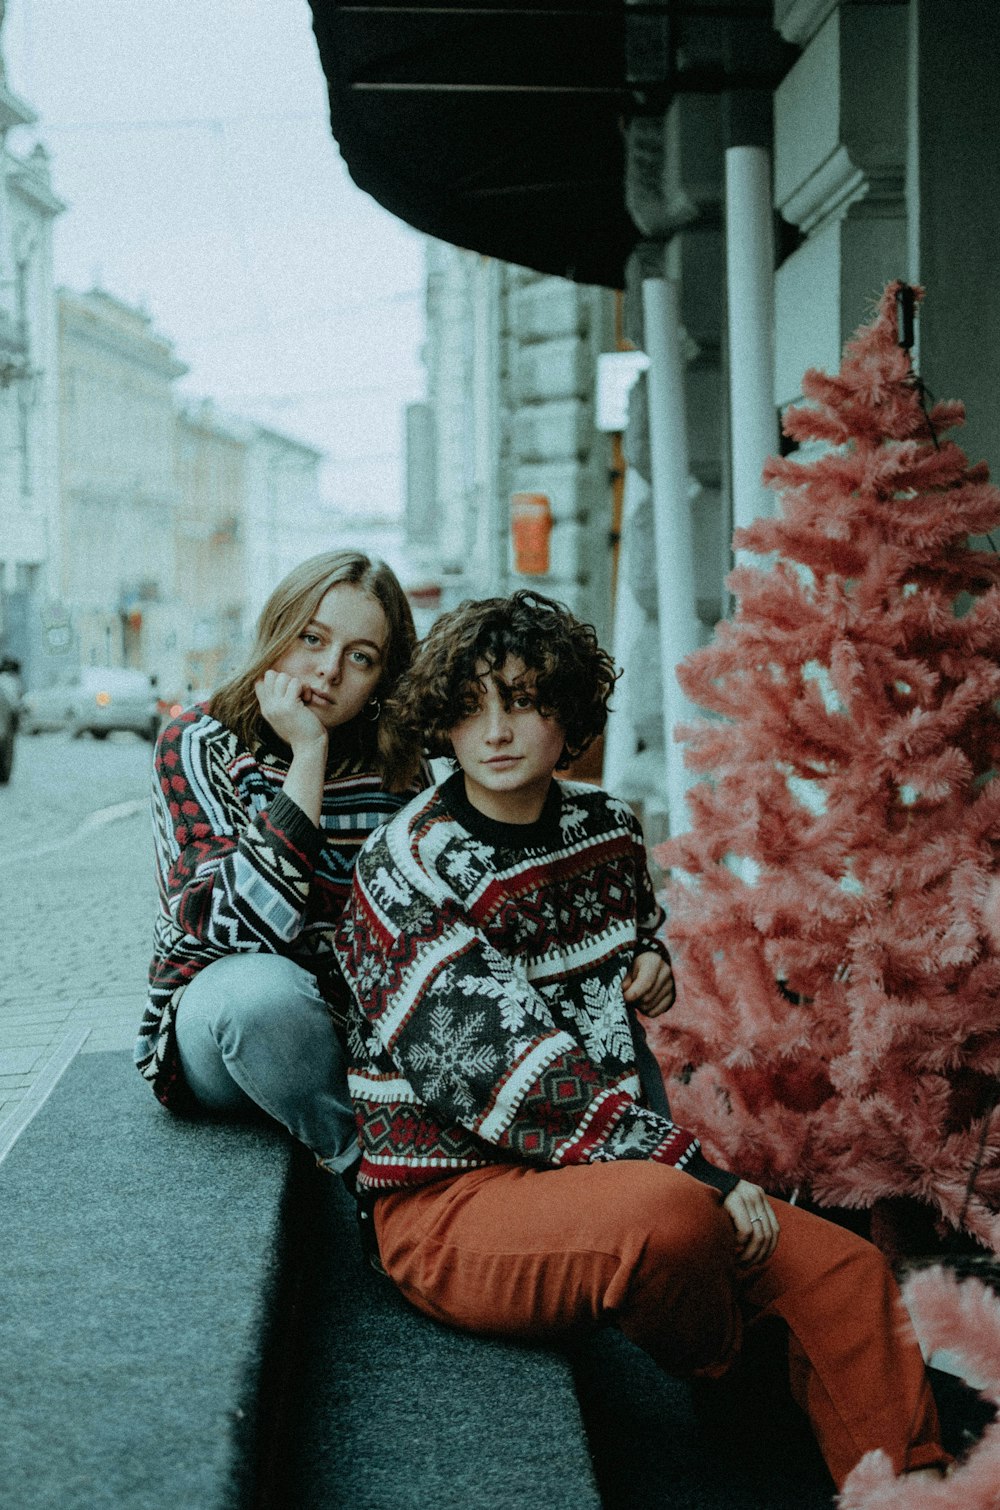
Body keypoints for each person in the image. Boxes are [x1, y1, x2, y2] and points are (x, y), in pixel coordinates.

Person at [335, 589, 951, 1492]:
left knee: (848, 1274)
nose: (497, 730)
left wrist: (647, 960)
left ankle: (913, 1488)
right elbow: (501, 1070)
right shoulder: (407, 867)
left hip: (594, 1163)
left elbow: (619, 941)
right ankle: (733, 1378)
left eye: (525, 698)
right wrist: (693, 1169)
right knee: (671, 1223)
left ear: (571, 711)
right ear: (442, 724)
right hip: (449, 1198)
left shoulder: (608, 830)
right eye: (470, 707)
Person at [135, 550, 427, 1183]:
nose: (327, 670)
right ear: (278, 629)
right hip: (226, 1029)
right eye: (311, 638)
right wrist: (308, 754)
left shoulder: (399, 766)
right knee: (262, 996)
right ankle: (372, 1174)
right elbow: (243, 926)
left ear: (382, 676)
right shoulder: (198, 740)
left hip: (361, 1028)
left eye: (360, 656)